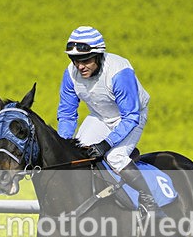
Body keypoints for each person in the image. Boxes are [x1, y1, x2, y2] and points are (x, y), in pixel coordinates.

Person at [57, 26, 157, 212]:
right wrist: (63, 144)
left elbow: (130, 116)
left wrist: (106, 143)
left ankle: (147, 197)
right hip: (100, 116)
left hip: (130, 116)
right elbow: (67, 113)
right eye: (75, 60)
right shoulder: (70, 74)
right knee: (77, 156)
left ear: (98, 55)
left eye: (85, 60)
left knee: (115, 156)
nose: (80, 66)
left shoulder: (119, 72)